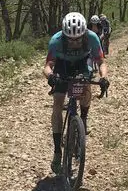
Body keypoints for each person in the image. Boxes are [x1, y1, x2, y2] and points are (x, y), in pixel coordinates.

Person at [44, 12, 109, 173]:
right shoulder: (56, 40)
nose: (74, 42)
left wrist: (104, 77)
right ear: (64, 35)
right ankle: (57, 151)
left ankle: (83, 119)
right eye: (70, 39)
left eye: (79, 39)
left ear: (84, 33)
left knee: (86, 88)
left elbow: (101, 61)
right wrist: (51, 77)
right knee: (58, 103)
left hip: (81, 64)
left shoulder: (92, 37)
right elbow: (48, 66)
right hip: (62, 66)